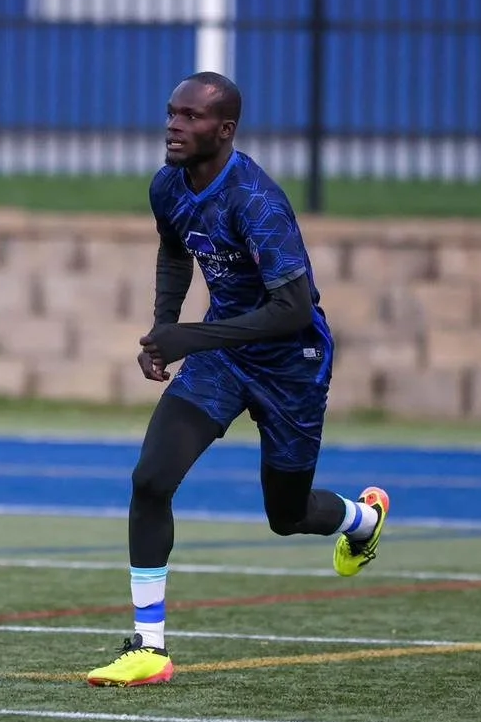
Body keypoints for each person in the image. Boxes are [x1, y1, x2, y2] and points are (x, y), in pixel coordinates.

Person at [86, 71, 387, 687]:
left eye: (191, 117)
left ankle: (362, 520)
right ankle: (149, 648)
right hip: (222, 360)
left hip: (292, 367)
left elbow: (293, 310)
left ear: (224, 130)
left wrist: (188, 336)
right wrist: (162, 332)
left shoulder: (256, 201)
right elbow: (174, 250)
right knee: (150, 480)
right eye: (172, 112)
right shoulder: (168, 186)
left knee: (286, 514)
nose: (174, 125)